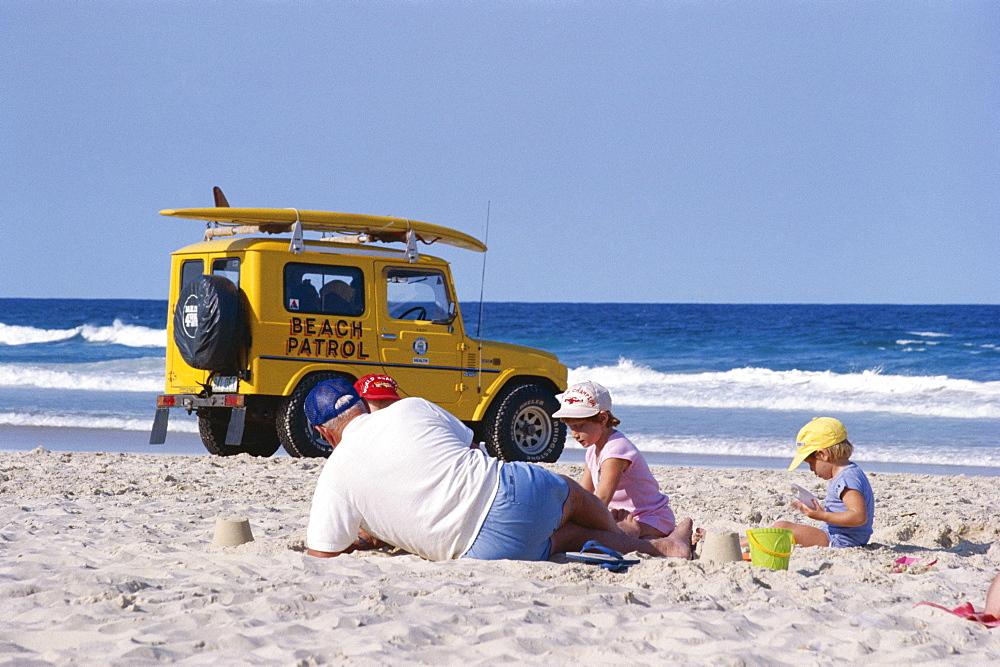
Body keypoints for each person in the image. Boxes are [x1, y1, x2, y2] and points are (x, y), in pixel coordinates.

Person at [303, 379, 696, 562]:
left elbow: (322, 553)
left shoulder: (334, 475)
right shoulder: (411, 407)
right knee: (572, 497)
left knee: (568, 537)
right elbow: (468, 448)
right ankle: (657, 546)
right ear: (361, 404)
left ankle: (660, 545)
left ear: (323, 432)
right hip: (509, 493)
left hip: (482, 552)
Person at [553, 381, 676, 539]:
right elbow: (583, 493)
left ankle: (677, 539)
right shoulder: (593, 449)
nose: (574, 434)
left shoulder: (616, 450)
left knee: (599, 537)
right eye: (571, 427)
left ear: (602, 419)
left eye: (580, 426)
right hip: (621, 517)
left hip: (651, 519)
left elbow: (601, 499)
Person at [773, 417, 875, 548]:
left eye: (811, 463)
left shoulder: (846, 478)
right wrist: (822, 511)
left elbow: (859, 516)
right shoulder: (849, 472)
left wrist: (822, 515)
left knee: (782, 528)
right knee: (781, 527)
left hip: (840, 540)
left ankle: (741, 545)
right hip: (836, 536)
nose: (811, 469)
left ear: (822, 455)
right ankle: (744, 542)